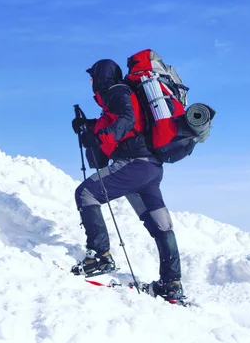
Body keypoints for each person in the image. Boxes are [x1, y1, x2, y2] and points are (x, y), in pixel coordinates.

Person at [72, 58, 185, 302]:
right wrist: (88, 125)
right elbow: (128, 122)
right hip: (151, 168)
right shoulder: (121, 94)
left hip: (134, 164)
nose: (90, 81)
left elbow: (127, 119)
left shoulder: (117, 92)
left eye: (92, 76)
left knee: (86, 193)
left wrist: (100, 136)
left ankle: (100, 256)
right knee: (161, 225)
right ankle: (171, 283)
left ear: (102, 76)